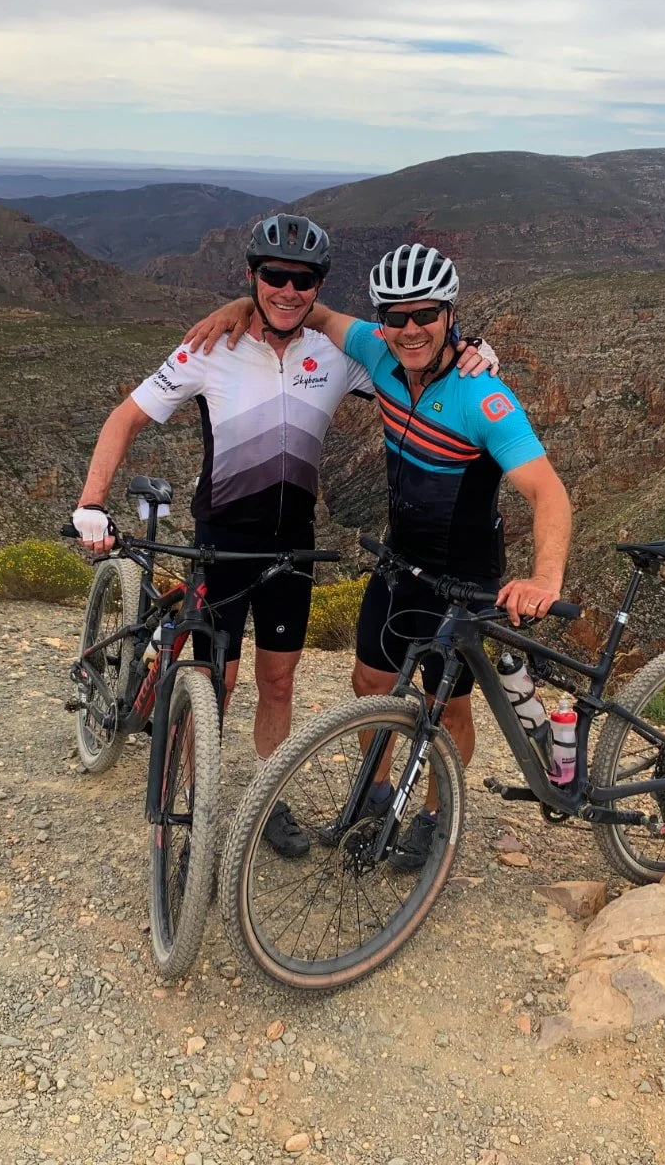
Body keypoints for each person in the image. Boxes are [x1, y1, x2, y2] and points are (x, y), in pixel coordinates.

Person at [73, 217, 495, 858]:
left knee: (278, 681)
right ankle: (195, 799)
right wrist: (90, 502)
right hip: (221, 540)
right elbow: (125, 417)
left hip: (294, 548)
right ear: (253, 277)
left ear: (319, 285)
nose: (288, 289)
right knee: (217, 682)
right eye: (274, 277)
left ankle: (268, 795)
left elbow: (412, 357)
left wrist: (472, 349)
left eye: (303, 280)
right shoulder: (209, 348)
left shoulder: (337, 355)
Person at [190, 243, 572, 871]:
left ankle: (434, 813)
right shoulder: (376, 349)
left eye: (425, 315)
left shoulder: (484, 396)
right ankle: (376, 792)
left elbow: (547, 490)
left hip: (465, 580)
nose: (410, 329)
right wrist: (242, 302)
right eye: (396, 316)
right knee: (369, 683)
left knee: (446, 705)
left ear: (450, 316)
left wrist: (544, 577)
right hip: (399, 564)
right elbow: (310, 312)